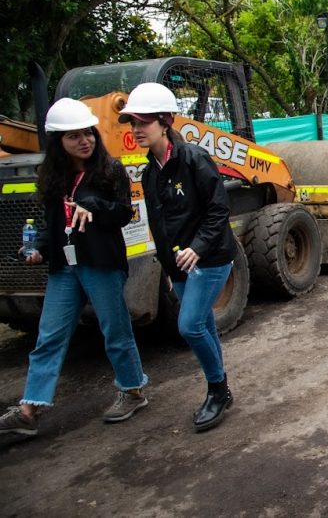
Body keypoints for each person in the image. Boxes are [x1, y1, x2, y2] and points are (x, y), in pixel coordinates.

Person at [0, 99, 148, 439]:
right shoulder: (54, 176)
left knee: (115, 331)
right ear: (58, 142)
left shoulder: (110, 170)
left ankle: (132, 391)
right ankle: (29, 410)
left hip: (101, 264)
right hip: (65, 268)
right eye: (74, 136)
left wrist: (92, 204)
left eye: (88, 133)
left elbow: (123, 213)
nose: (85, 141)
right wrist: (38, 248)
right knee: (49, 336)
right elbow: (53, 223)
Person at [121, 82, 237, 432]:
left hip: (211, 258)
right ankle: (222, 388)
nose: (136, 129)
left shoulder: (194, 159)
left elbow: (219, 210)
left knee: (189, 326)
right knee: (202, 324)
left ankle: (217, 390)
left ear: (166, 121)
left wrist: (197, 247)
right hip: (180, 265)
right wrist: (170, 268)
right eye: (133, 123)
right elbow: (160, 226)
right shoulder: (149, 172)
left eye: (144, 122)